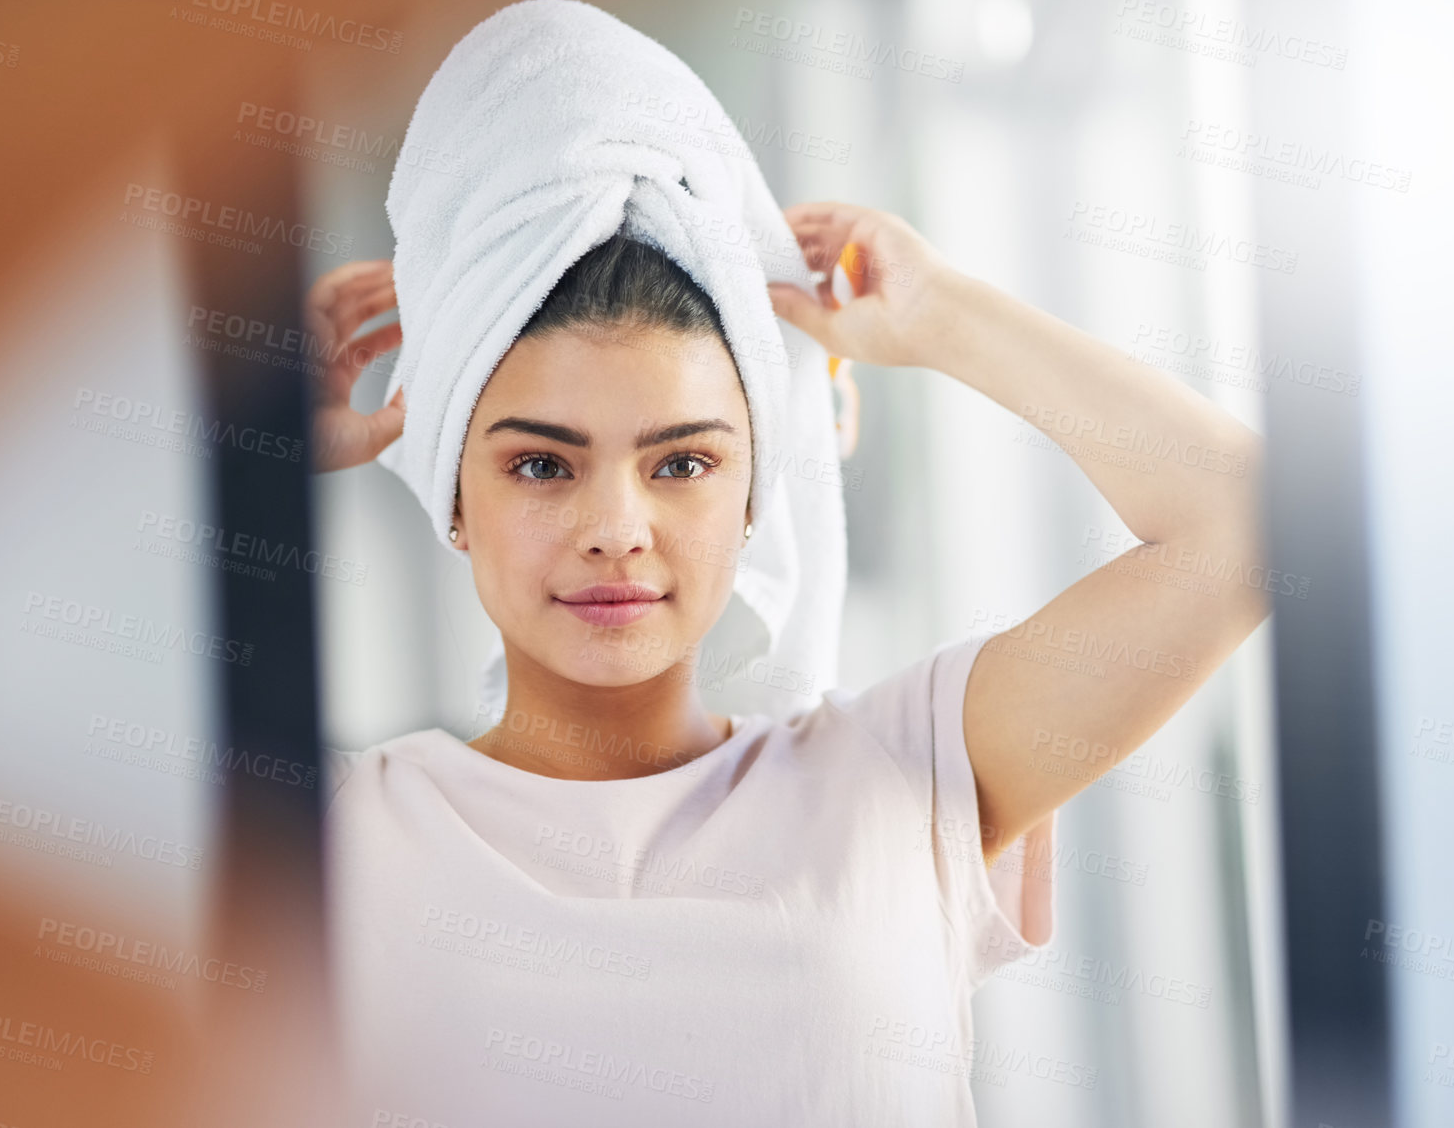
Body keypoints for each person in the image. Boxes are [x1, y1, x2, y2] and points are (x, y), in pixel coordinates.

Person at [304, 202, 1267, 1124]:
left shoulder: (902, 774)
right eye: (542, 465)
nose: (614, 531)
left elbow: (1248, 527)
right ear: (453, 499)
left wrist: (938, 313)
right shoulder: (327, 831)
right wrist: (238, 444)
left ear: (756, 498)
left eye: (682, 465)